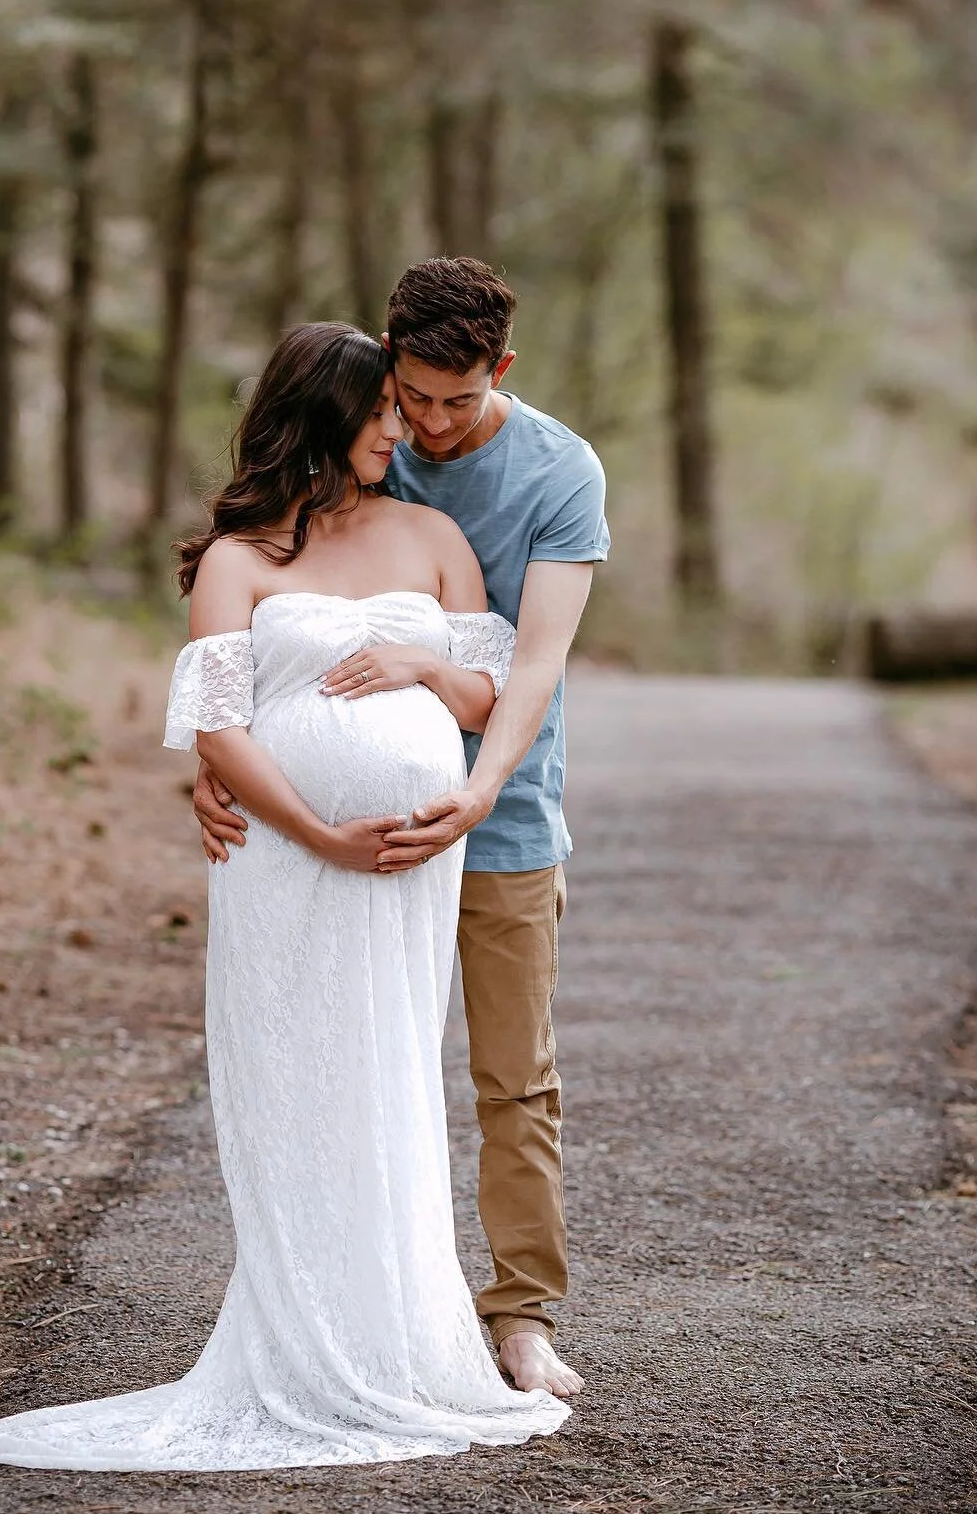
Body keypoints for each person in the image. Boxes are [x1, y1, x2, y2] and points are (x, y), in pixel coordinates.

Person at [0, 323, 569, 1472]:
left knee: (391, 1075)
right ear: (324, 417)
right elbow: (218, 725)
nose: (399, 429)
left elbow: (487, 693)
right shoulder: (239, 558)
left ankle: (402, 1336)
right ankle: (309, 1342)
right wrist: (321, 831)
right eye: (380, 411)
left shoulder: (432, 537)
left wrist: (424, 667)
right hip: (285, 865)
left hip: (408, 872)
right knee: (302, 1083)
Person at [196, 257, 609, 1399]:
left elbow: (535, 660)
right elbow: (255, 635)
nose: (426, 422)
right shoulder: (363, 434)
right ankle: (351, 1312)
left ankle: (521, 1315)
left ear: (502, 370)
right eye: (409, 396)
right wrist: (210, 760)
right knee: (354, 1066)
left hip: (501, 816)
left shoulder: (559, 472)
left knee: (513, 1073)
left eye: (455, 400)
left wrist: (480, 790)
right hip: (334, 846)